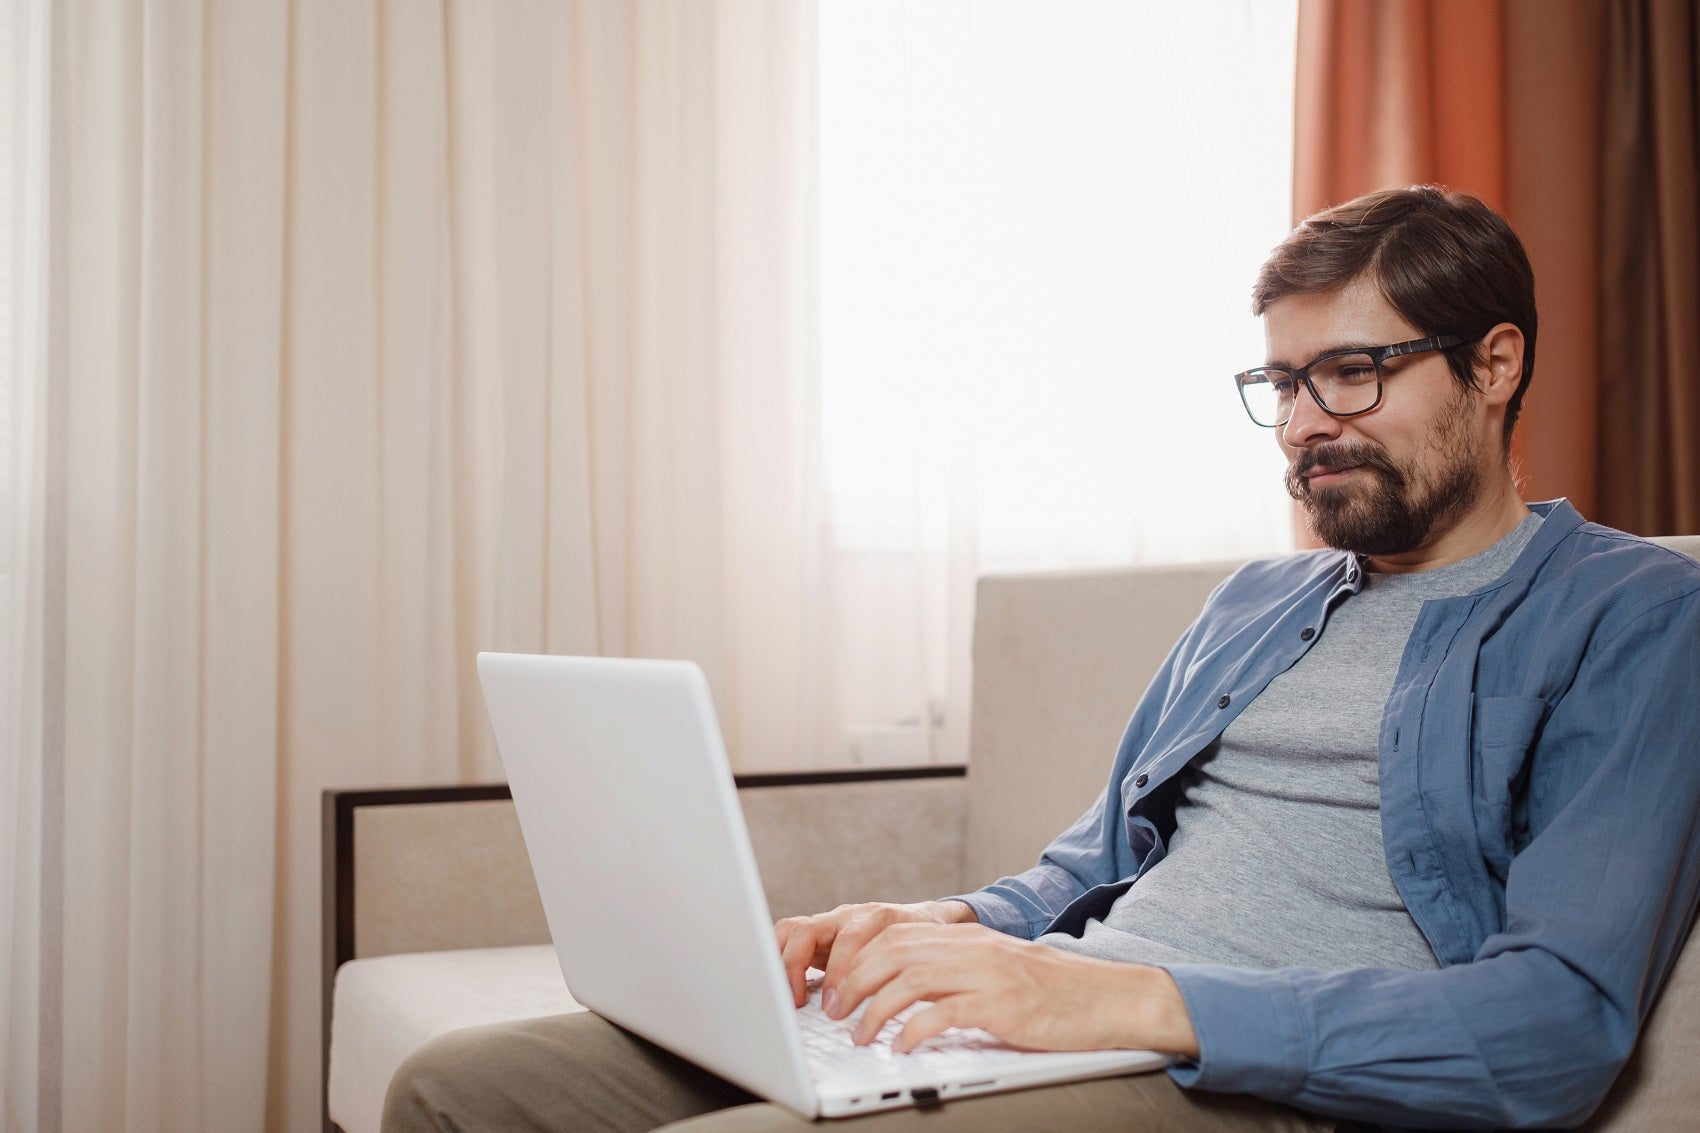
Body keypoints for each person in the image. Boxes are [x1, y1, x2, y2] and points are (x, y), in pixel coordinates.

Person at [382, 186, 1700, 1132]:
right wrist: (940, 925)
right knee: (459, 1086)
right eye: (1283, 384)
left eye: (1350, 372)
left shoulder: (1634, 613)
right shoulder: (1258, 601)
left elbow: (1556, 1024)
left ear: (1497, 362)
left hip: (1251, 1079)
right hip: (1066, 1027)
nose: (1306, 423)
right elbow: (1091, 863)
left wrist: (1129, 1005)